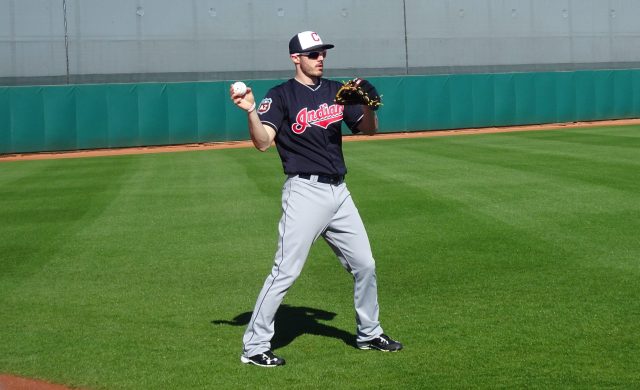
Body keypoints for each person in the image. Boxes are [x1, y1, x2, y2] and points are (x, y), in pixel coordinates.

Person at [229, 31, 402, 368]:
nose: (320, 58)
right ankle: (254, 347)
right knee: (286, 272)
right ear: (296, 58)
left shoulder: (338, 92)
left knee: (365, 265)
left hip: (340, 192)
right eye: (312, 54)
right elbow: (264, 142)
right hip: (304, 192)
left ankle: (369, 332)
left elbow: (369, 130)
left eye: (322, 52)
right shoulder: (280, 96)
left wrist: (367, 107)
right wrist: (250, 111)